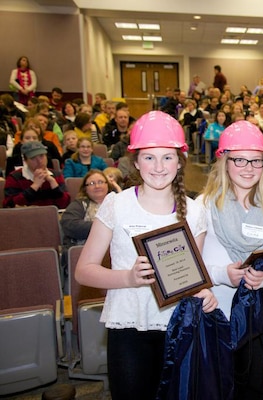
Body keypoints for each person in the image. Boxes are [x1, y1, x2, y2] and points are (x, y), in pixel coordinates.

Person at [74, 111, 217, 400]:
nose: (159, 166)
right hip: (129, 326)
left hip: (178, 326)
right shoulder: (117, 205)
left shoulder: (196, 211)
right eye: (149, 157)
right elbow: (84, 271)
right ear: (136, 162)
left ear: (180, 161)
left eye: (167, 157)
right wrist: (128, 276)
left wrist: (204, 292)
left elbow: (192, 278)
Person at [196, 120, 263, 399]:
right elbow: (191, 266)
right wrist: (221, 274)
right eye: (239, 160)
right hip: (215, 311)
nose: (249, 167)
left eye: (256, 161)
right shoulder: (205, 205)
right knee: (217, 386)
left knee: (254, 386)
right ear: (225, 162)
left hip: (256, 314)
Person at [3, 141, 70, 208]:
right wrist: (34, 187)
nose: (39, 161)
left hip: (52, 216)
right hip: (25, 217)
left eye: (42, 156)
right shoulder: (14, 177)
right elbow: (9, 205)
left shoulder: (56, 175)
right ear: (26, 161)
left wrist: (54, 184)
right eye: (33, 158)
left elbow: (65, 204)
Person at [61, 169, 111, 251]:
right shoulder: (79, 204)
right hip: (84, 250)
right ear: (85, 189)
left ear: (107, 185)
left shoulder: (117, 203)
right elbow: (70, 224)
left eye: (101, 182)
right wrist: (103, 227)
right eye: (92, 183)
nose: (97, 186)